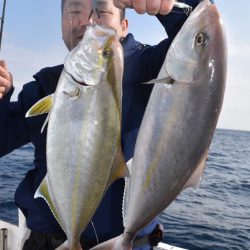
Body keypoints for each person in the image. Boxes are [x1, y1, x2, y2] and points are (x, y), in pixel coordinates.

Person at [0, 0, 203, 249]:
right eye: (75, 11)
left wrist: (175, 3)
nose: (89, 21)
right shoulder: (45, 86)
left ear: (124, 25)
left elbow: (199, 36)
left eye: (103, 12)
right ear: (62, 24)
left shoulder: (151, 67)